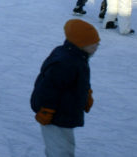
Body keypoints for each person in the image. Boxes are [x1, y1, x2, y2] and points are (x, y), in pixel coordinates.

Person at [31, 19, 99, 157]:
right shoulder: (65, 62)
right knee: (60, 150)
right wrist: (46, 110)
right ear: (80, 44)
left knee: (62, 147)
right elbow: (49, 87)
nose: (96, 47)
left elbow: (78, 81)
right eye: (92, 45)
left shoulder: (78, 57)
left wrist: (87, 94)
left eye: (97, 44)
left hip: (65, 111)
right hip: (54, 115)